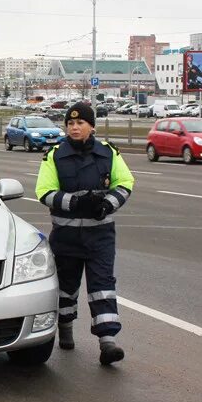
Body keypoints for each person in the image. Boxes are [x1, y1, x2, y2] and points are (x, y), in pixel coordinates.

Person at [35, 102, 134, 365]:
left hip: (100, 237)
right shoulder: (54, 155)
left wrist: (106, 204)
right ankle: (65, 329)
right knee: (66, 290)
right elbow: (44, 192)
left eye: (80, 123)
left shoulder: (108, 153)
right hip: (66, 238)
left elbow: (125, 183)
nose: (74, 127)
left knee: (102, 287)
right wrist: (75, 203)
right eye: (70, 123)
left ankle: (107, 342)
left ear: (92, 126)